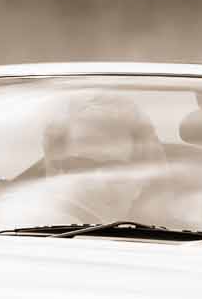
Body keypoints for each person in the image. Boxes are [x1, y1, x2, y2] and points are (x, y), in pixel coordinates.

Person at [32, 91, 165, 224]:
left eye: (114, 169)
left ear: (141, 182)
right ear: (55, 174)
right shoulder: (21, 233)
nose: (97, 184)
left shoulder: (174, 240)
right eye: (81, 166)